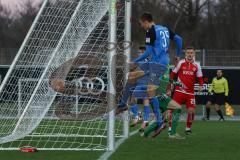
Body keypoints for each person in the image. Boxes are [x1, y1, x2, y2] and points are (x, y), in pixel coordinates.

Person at [116, 12, 183, 114]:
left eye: (141, 23)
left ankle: (161, 117)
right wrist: (178, 54)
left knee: (150, 91)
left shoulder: (150, 31)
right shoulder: (165, 29)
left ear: (146, 22)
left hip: (158, 63)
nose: (141, 26)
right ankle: (122, 105)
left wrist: (134, 61)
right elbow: (179, 39)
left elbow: (147, 52)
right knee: (132, 77)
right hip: (158, 61)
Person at [169, 47, 203, 135]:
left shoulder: (197, 65)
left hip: (190, 92)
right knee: (173, 109)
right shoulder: (181, 63)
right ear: (185, 54)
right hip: (179, 91)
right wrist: (171, 84)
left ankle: (188, 128)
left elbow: (200, 78)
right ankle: (170, 128)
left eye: (191, 53)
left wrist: (201, 86)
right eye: (188, 53)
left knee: (191, 111)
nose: (190, 54)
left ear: (194, 54)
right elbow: (172, 74)